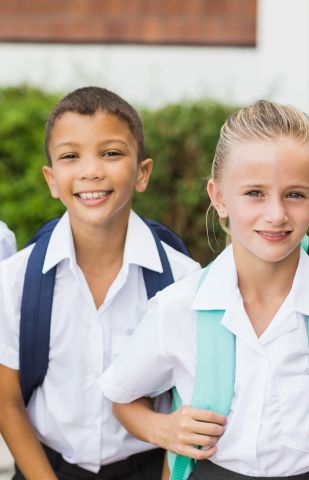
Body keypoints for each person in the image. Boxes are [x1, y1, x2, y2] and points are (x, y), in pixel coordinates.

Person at [99, 100, 309, 479]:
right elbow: (121, 396)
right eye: (254, 193)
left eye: (295, 195)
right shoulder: (178, 308)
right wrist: (162, 429)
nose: (276, 213)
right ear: (219, 197)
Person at [0, 86, 198, 480]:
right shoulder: (16, 280)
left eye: (111, 153)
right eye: (71, 156)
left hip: (148, 468)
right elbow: (7, 403)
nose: (91, 170)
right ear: (52, 179)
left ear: (142, 172)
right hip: (45, 468)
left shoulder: (184, 280)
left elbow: (186, 401)